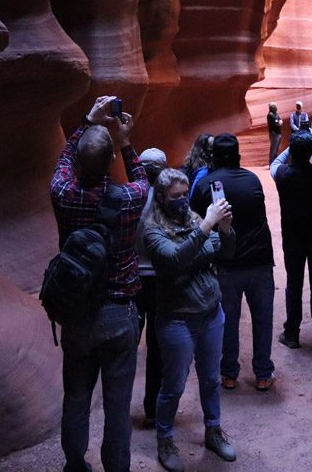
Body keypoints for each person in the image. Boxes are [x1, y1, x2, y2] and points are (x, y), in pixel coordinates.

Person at [49, 95, 149, 472]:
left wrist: (85, 123)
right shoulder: (127, 200)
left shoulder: (63, 195)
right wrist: (125, 142)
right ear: (110, 161)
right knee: (117, 405)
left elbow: (61, 163)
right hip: (119, 314)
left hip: (76, 315)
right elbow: (142, 179)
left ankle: (75, 465)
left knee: (75, 397)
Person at [144, 169, 238, 471]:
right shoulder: (152, 230)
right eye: (176, 196)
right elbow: (173, 261)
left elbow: (224, 252)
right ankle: (165, 439)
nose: (183, 200)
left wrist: (224, 229)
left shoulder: (195, 219)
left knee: (211, 379)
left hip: (211, 312)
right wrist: (207, 229)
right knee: (173, 385)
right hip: (177, 320)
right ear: (161, 197)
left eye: (185, 194)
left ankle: (213, 430)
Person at [190, 133, 276, 391]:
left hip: (227, 263)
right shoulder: (252, 180)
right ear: (239, 154)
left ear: (213, 156)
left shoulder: (207, 184)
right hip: (260, 260)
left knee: (228, 319)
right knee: (263, 318)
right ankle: (262, 373)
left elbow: (195, 215)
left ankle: (229, 374)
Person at [270, 131, 312, 350]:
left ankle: (291, 333)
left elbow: (276, 161)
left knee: (293, 285)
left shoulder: (281, 174)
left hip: (292, 238)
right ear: (310, 152)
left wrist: (293, 146)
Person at [133, 147, 168, 428]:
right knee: (157, 347)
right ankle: (153, 408)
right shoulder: (171, 201)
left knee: (128, 344)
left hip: (132, 279)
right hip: (160, 280)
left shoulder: (129, 198)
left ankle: (119, 408)